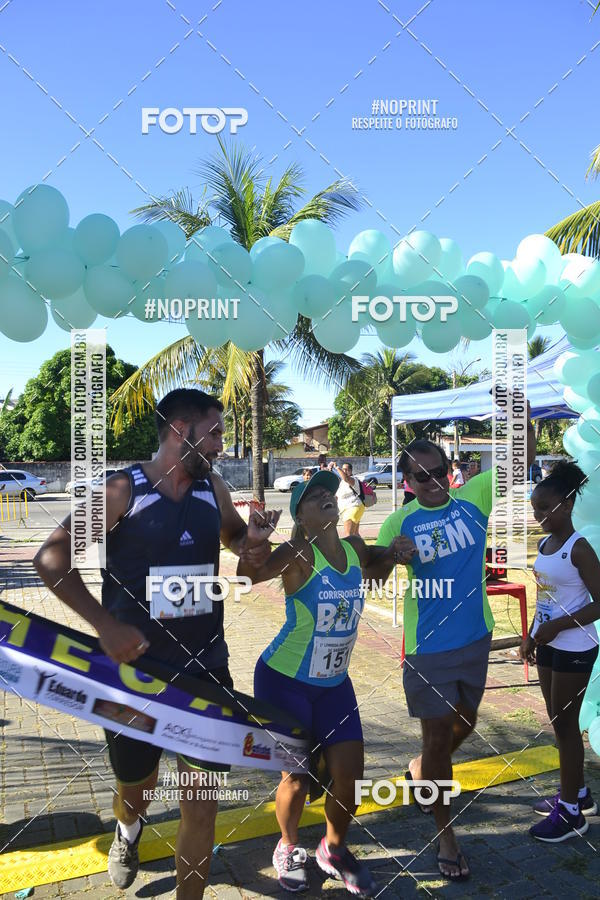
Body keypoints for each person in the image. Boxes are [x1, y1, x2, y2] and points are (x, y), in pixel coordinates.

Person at [33, 389, 278, 899]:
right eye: (214, 433)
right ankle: (128, 831)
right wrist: (105, 625)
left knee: (201, 805)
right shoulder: (121, 490)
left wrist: (252, 543)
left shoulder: (213, 488)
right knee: (137, 789)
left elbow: (238, 544)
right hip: (134, 676)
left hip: (205, 671)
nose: (221, 445)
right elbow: (51, 560)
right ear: (180, 430)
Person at [364, 410, 536, 881]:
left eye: (440, 471)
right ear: (407, 482)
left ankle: (421, 767)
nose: (434, 481)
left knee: (467, 723)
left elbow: (521, 459)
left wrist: (522, 416)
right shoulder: (399, 522)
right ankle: (446, 835)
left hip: (476, 637)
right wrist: (391, 554)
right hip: (429, 649)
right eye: (422, 476)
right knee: (439, 739)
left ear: (450, 470)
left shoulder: (473, 498)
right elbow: (372, 576)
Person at [237, 470, 415, 896]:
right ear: (301, 516)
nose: (324, 496)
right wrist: (255, 542)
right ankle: (287, 846)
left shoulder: (352, 547)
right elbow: (248, 576)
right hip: (284, 679)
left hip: (334, 682)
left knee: (351, 775)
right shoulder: (298, 552)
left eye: (327, 492)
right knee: (297, 777)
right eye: (312, 496)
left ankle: (332, 850)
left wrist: (395, 553)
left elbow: (373, 569)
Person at [520, 461, 600, 842]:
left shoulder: (578, 548)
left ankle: (570, 815)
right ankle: (578, 793)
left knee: (567, 727)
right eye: (534, 508)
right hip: (549, 644)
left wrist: (558, 627)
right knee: (558, 723)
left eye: (544, 508)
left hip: (575, 647)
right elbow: (545, 599)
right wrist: (531, 636)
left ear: (566, 505)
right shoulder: (544, 544)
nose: (538, 516)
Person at [330, 462, 365, 536]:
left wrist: (337, 467)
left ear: (351, 471)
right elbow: (338, 496)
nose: (344, 471)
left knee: (348, 535)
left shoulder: (353, 480)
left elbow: (346, 478)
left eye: (347, 470)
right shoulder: (342, 483)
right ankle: (361, 544)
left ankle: (351, 543)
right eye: (343, 469)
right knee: (355, 534)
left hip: (352, 508)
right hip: (350, 509)